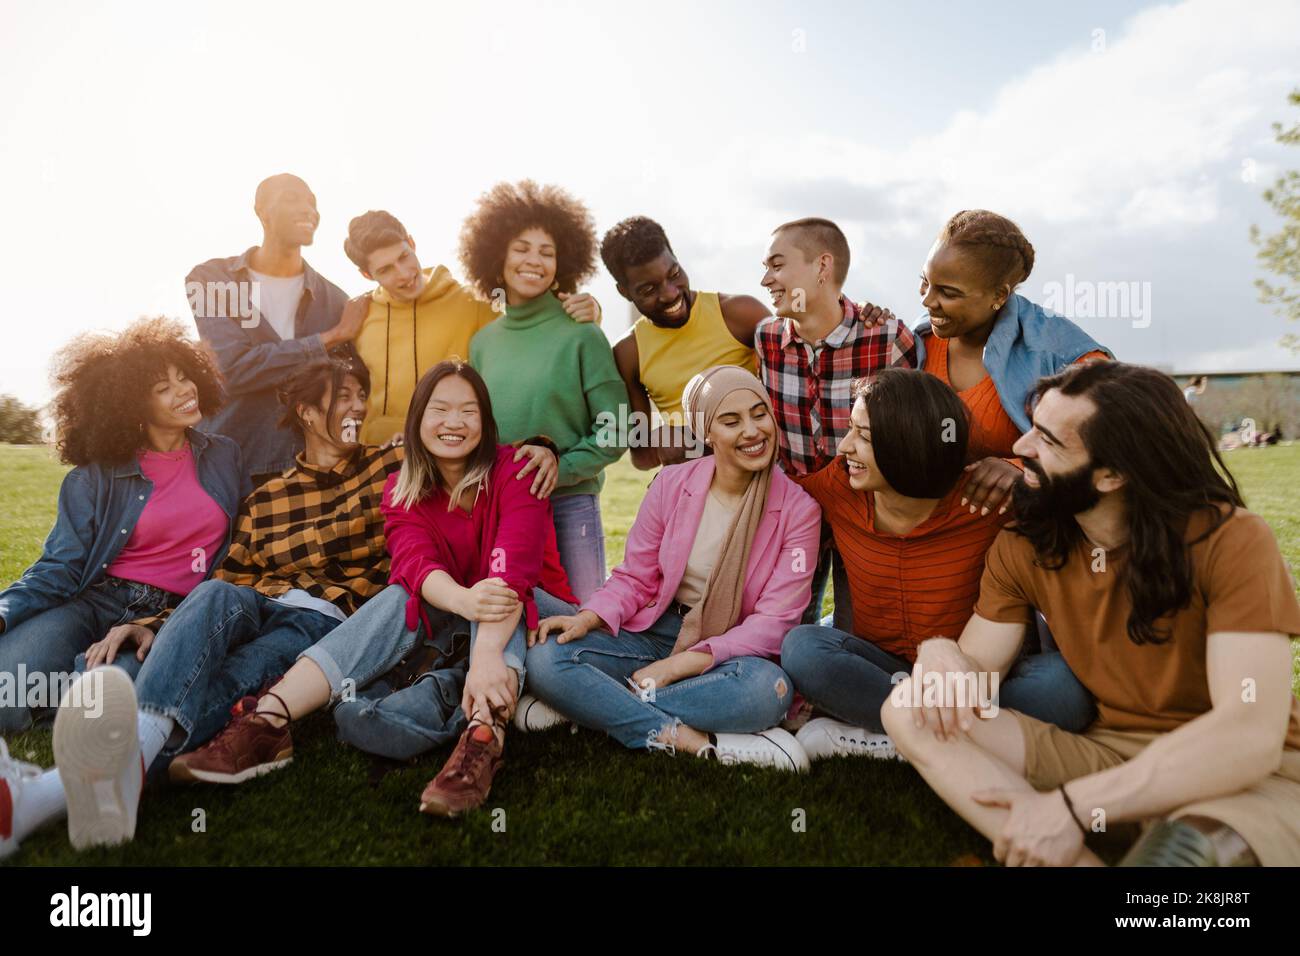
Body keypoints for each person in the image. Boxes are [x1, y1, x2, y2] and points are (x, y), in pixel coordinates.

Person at [882, 362, 1300, 867]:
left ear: (1112, 474)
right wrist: (940, 651)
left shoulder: (1232, 539)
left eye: (1049, 442)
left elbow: (1248, 736)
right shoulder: (1025, 544)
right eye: (1032, 428)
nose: (1019, 449)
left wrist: (1072, 806)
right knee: (909, 709)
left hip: (1247, 771)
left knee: (1184, 855)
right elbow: (974, 673)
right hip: (1109, 753)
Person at [165, 361, 577, 820]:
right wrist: (462, 600)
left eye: (469, 411)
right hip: (459, 610)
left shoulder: (518, 468)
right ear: (417, 418)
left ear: (486, 421)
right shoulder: (403, 487)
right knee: (401, 596)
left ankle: (483, 737)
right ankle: (268, 721)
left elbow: (510, 573)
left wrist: (483, 656)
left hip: (534, 612)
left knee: (497, 595)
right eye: (439, 409)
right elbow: (415, 565)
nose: (454, 423)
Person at [780, 369, 1095, 763]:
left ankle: (898, 737)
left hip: (977, 673)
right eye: (850, 430)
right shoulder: (840, 485)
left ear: (907, 446)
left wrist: (1014, 465)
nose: (845, 447)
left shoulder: (986, 500)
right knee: (803, 648)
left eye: (864, 437)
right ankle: (930, 735)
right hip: (883, 671)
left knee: (1060, 689)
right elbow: (775, 498)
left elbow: (1074, 492)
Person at [521, 366, 822, 771]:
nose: (753, 431)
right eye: (731, 421)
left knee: (768, 692)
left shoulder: (799, 511)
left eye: (759, 413)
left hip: (729, 651)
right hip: (653, 631)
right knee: (546, 659)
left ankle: (588, 707)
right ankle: (673, 733)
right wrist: (590, 618)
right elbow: (634, 577)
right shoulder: (672, 484)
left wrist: (679, 665)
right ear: (705, 433)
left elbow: (774, 623)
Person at [0, 318, 245, 734]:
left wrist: (167, 623)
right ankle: (64, 692)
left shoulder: (225, 455)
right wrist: (4, 612)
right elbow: (59, 568)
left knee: (99, 702)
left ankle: (76, 694)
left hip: (171, 612)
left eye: (184, 378)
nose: (184, 391)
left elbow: (240, 551)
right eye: (163, 388)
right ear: (131, 406)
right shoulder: (95, 476)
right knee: (8, 694)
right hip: (97, 600)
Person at [463, 181, 629, 602]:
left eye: (547, 251)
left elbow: (617, 428)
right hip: (503, 512)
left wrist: (561, 466)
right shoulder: (483, 342)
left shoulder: (582, 333)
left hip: (570, 508)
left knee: (580, 626)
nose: (534, 260)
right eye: (521, 248)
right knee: (509, 624)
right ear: (497, 258)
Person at [757, 217, 917, 629]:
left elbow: (911, 434)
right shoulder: (766, 338)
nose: (765, 280)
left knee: (858, 630)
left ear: (821, 266)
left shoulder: (885, 338)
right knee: (785, 629)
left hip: (863, 515)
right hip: (792, 511)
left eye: (777, 265)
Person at [342, 209, 603, 445]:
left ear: (412, 243)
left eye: (404, 257)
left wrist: (591, 310)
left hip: (448, 459)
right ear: (368, 275)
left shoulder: (473, 300)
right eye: (386, 269)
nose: (403, 273)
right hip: (377, 464)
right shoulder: (361, 316)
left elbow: (535, 320)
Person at [915, 209, 1112, 516]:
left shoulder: (1059, 352)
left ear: (999, 296)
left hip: (1029, 534)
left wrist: (1025, 467)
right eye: (925, 281)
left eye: (947, 292)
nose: (927, 300)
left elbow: (1113, 446)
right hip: (939, 533)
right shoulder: (916, 341)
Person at [186, 173, 359, 484]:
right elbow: (232, 368)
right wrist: (328, 339)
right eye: (292, 199)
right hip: (228, 467)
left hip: (305, 470)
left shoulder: (335, 302)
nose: (308, 209)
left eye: (313, 203)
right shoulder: (214, 280)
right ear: (261, 211)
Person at [599, 215, 767, 468]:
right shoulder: (629, 352)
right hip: (690, 487)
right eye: (648, 289)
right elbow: (643, 457)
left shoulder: (740, 314)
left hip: (759, 475)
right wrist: (660, 438)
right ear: (624, 292)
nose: (670, 294)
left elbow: (790, 403)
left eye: (674, 274)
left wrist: (697, 438)